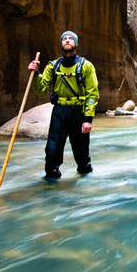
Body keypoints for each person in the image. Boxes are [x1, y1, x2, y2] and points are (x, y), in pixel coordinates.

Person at [28, 30, 99, 180]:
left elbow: (92, 94)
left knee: (81, 151)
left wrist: (88, 119)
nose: (67, 41)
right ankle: (51, 179)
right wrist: (35, 73)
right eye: (64, 39)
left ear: (75, 44)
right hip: (59, 112)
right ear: (61, 44)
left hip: (78, 111)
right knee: (52, 149)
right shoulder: (53, 66)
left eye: (70, 39)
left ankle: (85, 176)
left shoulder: (86, 66)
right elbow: (40, 89)